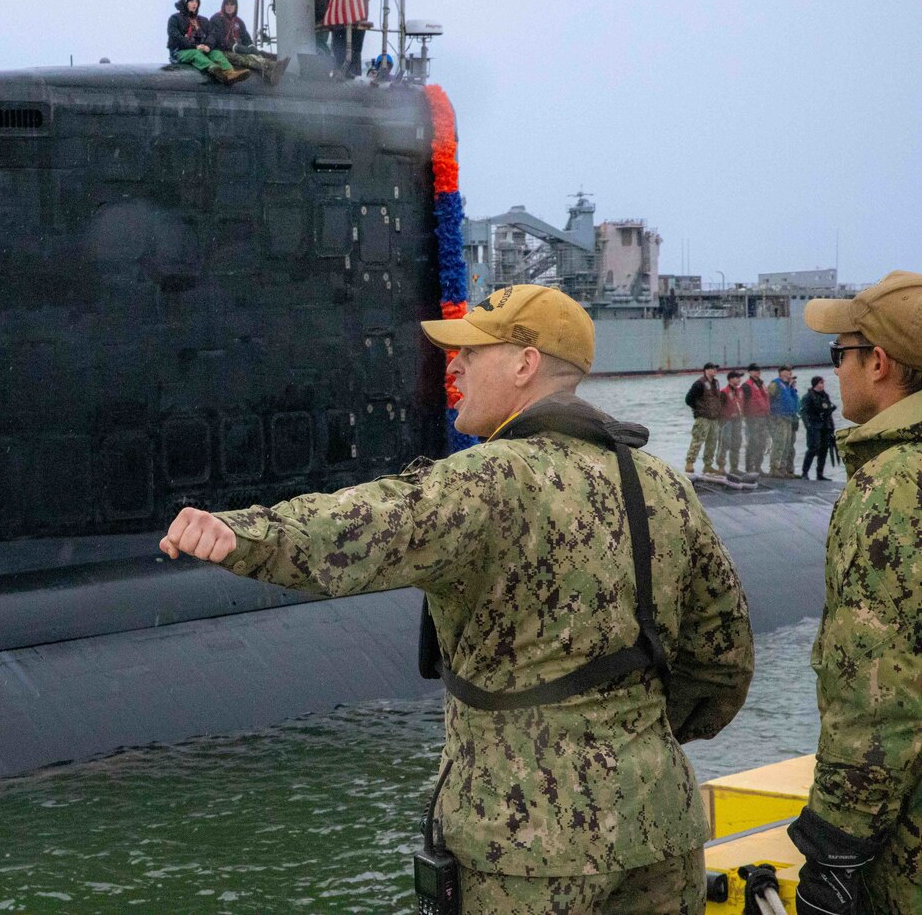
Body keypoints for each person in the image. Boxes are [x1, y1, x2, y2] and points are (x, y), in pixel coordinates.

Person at [160, 284, 753, 913]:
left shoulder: (493, 478)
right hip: (662, 829)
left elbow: (367, 526)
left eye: (473, 349)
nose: (455, 364)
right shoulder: (661, 482)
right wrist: (631, 741)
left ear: (525, 364)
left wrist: (241, 534)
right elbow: (724, 659)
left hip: (525, 849)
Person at [788, 270, 922, 914]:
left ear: (879, 363)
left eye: (840, 353)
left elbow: (876, 698)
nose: (835, 370)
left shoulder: (890, 490)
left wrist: (835, 848)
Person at [166, 0, 250, 85]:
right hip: (180, 51)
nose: (194, 4)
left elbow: (212, 34)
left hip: (201, 49)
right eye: (191, 1)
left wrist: (208, 45)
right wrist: (194, 46)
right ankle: (214, 70)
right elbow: (176, 36)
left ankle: (230, 72)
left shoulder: (203, 20)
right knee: (195, 54)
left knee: (216, 53)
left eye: (196, 2)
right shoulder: (175, 19)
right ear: (185, 3)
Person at [206, 0, 289, 84]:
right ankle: (270, 66)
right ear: (223, 5)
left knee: (256, 53)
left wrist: (251, 47)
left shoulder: (238, 22)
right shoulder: (216, 19)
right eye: (227, 4)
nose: (229, 7)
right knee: (241, 58)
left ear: (236, 6)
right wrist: (235, 47)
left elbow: (246, 38)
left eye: (232, 4)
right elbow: (217, 38)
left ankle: (272, 68)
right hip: (223, 50)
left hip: (238, 48)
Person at [683, 361, 723, 475]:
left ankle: (708, 465)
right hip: (703, 418)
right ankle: (689, 463)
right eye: (713, 369)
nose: (715, 371)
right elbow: (688, 399)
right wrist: (698, 409)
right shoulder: (699, 384)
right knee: (697, 440)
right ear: (706, 370)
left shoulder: (716, 383)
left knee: (712, 442)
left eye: (716, 369)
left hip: (714, 418)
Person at [799, 376, 836, 480]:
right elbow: (804, 412)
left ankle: (820, 474)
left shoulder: (825, 396)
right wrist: (808, 425)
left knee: (824, 449)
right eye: (820, 383)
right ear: (815, 384)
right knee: (813, 448)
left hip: (825, 426)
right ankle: (804, 473)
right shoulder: (808, 397)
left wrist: (832, 427)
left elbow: (828, 413)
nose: (822, 385)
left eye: (823, 383)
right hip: (814, 426)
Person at [766, 365, 800, 477]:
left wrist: (793, 388)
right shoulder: (775, 384)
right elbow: (767, 398)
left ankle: (783, 468)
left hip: (788, 418)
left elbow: (794, 402)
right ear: (781, 372)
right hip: (778, 418)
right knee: (779, 443)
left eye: (790, 371)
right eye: (787, 371)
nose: (789, 373)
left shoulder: (788, 386)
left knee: (787, 445)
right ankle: (774, 468)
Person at [739, 362, 771, 473]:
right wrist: (744, 417)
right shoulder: (746, 386)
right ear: (750, 372)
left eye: (758, 370)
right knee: (753, 443)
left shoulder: (761, 384)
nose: (757, 372)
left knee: (762, 443)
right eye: (755, 370)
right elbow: (742, 403)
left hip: (763, 417)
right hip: (752, 418)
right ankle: (749, 468)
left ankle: (758, 467)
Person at [719, 369, 745, 474]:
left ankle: (734, 468)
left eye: (740, 377)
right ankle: (721, 467)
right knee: (724, 443)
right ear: (731, 379)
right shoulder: (724, 392)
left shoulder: (740, 391)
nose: (739, 379)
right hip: (727, 421)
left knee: (736, 443)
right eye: (737, 377)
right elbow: (719, 408)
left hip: (738, 421)